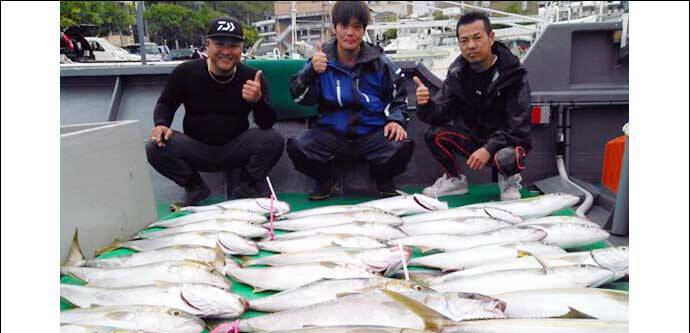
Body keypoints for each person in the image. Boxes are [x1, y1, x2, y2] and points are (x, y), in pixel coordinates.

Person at [147, 17, 284, 206]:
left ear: (241, 48)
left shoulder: (252, 77)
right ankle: (195, 187)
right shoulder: (185, 72)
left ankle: (245, 186)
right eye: (219, 44)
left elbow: (266, 124)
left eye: (233, 46)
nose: (226, 51)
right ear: (207, 45)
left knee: (273, 139)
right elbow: (166, 104)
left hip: (235, 149)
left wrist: (257, 101)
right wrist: (161, 124)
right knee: (155, 146)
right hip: (197, 149)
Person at [287, 1, 413, 200]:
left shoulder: (380, 63)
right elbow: (299, 97)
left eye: (356, 27)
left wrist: (395, 120)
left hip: (371, 133)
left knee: (402, 144)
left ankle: (382, 179)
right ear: (334, 28)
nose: (350, 33)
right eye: (344, 26)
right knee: (298, 146)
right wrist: (310, 71)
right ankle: (326, 180)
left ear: (364, 30)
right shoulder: (320, 61)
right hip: (332, 133)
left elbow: (398, 98)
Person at [415, 12, 532, 200]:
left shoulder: (513, 74)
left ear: (491, 38)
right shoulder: (457, 74)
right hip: (475, 138)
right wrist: (425, 103)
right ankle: (454, 180)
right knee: (434, 134)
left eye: (477, 38)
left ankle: (509, 180)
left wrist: (488, 148)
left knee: (507, 155)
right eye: (464, 40)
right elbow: (441, 114)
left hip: (504, 143)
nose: (471, 45)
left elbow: (519, 128)